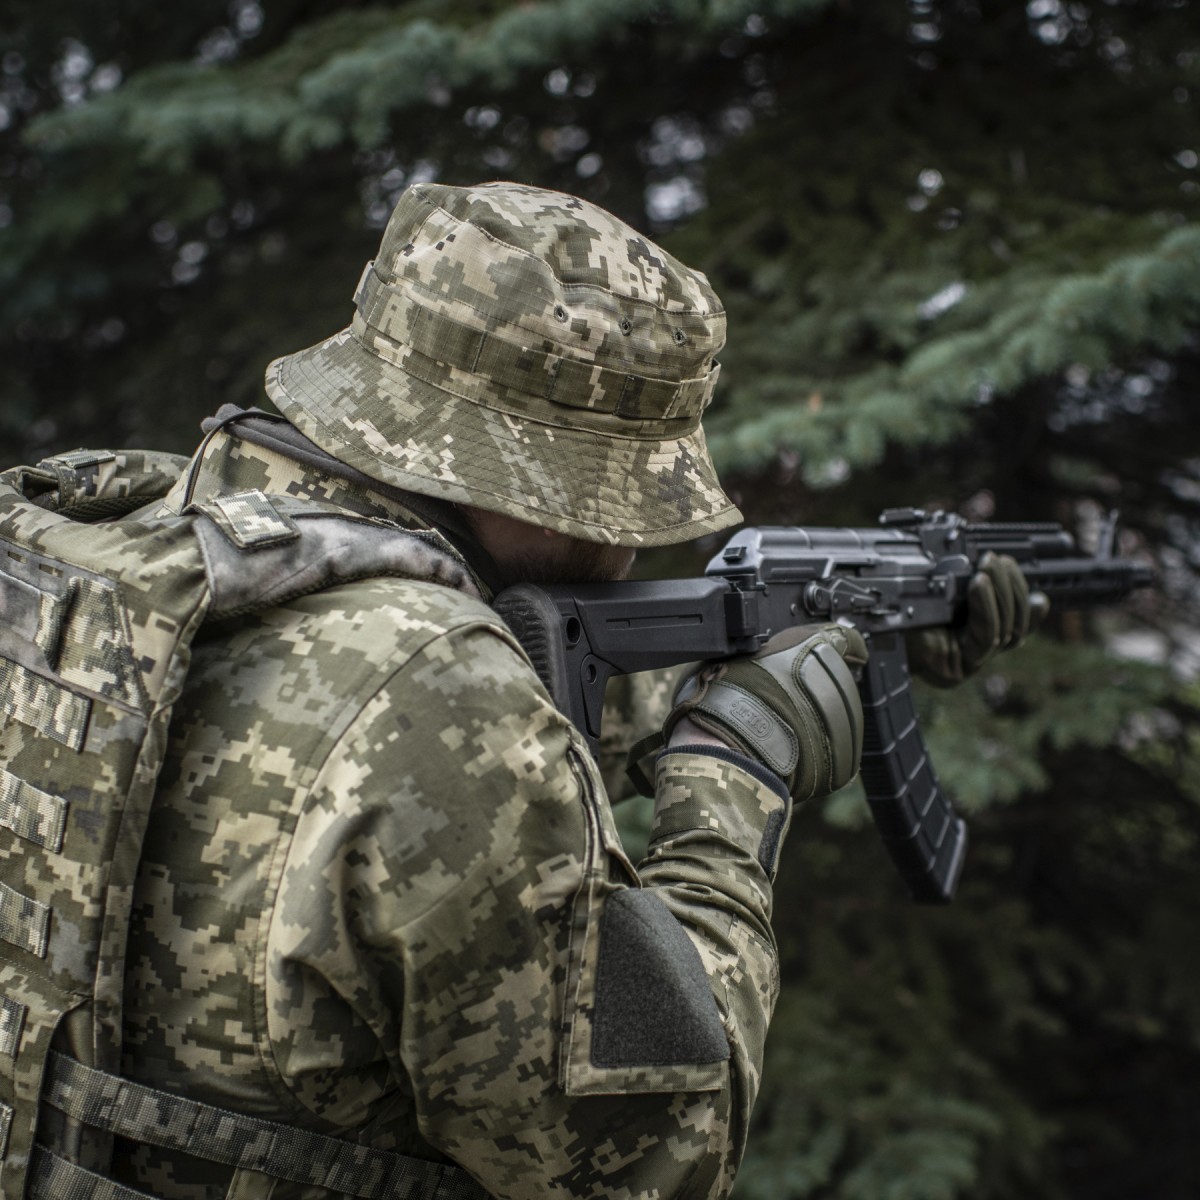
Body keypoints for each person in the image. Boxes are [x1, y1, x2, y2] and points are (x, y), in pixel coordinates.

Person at [4, 181, 1035, 1200]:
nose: (633, 547)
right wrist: (733, 766)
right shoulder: (439, 690)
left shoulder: (132, 539)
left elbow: (367, 743)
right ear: (541, 488)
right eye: (627, 506)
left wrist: (828, 648)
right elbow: (661, 1151)